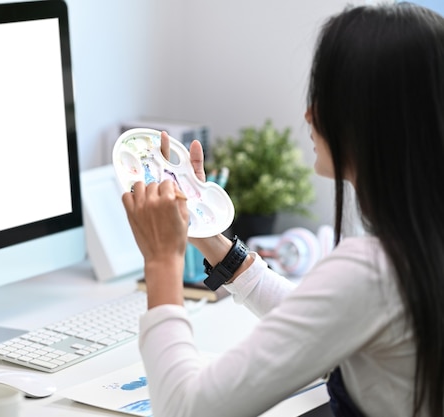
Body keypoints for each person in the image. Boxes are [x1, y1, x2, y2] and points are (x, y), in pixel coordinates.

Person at [120, 3, 444, 417]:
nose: (308, 113)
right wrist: (207, 235)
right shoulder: (415, 250)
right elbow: (330, 314)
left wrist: (162, 261)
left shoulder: (373, 272)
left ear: (371, 119)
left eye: (325, 97)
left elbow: (185, 410)